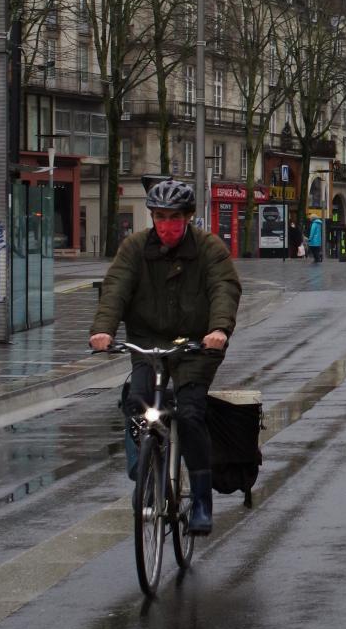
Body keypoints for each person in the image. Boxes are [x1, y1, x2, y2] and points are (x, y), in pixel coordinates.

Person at [88, 179, 242, 534]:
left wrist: (219, 329)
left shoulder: (208, 248)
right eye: (160, 217)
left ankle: (201, 500)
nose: (167, 225)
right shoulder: (135, 248)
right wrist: (103, 330)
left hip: (196, 343)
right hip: (149, 340)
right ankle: (145, 470)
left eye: (174, 217)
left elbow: (224, 288)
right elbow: (115, 288)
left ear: (188, 217)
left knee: (190, 414)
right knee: (138, 402)